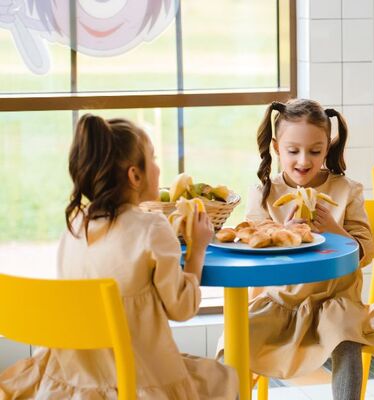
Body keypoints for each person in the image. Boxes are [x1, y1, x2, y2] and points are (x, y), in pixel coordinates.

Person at [0, 114, 237, 399]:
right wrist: (197, 249)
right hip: (140, 383)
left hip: (74, 381)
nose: (159, 168)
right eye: (154, 158)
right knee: (225, 378)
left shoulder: (74, 227)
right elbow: (182, 308)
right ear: (135, 176)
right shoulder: (152, 229)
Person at [233, 99, 374, 400]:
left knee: (346, 339)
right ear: (277, 148)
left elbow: (365, 249)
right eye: (293, 151)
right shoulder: (263, 194)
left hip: (335, 301)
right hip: (282, 302)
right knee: (236, 339)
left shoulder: (346, 190)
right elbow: (252, 252)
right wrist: (282, 232)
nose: (304, 160)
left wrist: (333, 229)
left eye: (315, 151)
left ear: (327, 148)